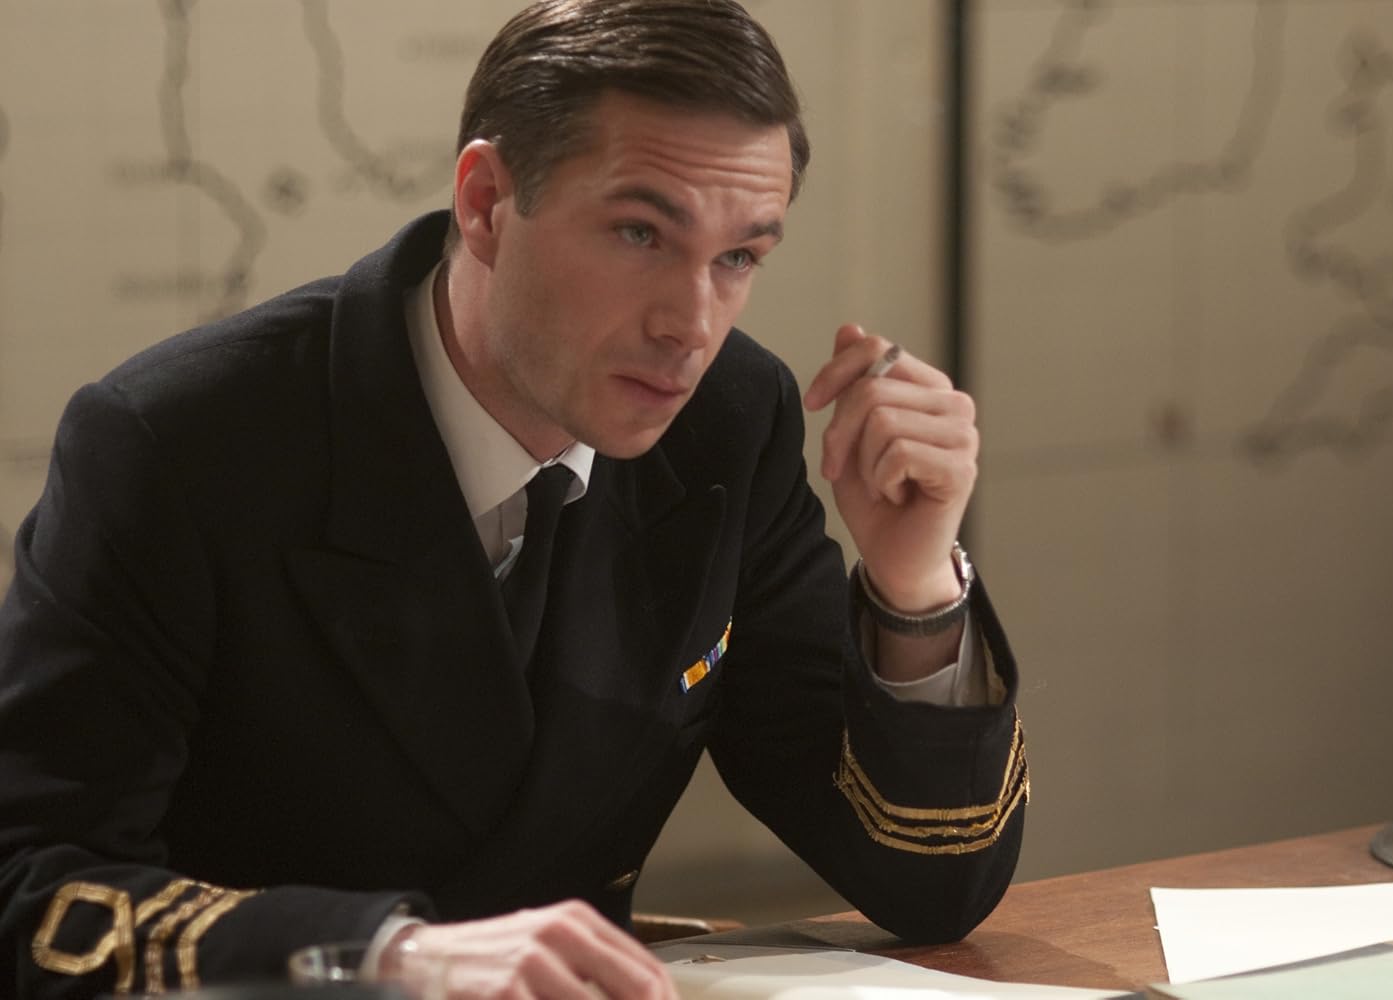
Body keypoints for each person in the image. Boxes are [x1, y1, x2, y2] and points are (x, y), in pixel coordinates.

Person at [0, 1, 1028, 997]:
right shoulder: (181, 442)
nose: (691, 324)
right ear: (486, 202)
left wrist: (912, 587)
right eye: (639, 233)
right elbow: (30, 886)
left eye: (737, 257)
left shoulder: (729, 419)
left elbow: (930, 887)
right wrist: (384, 959)